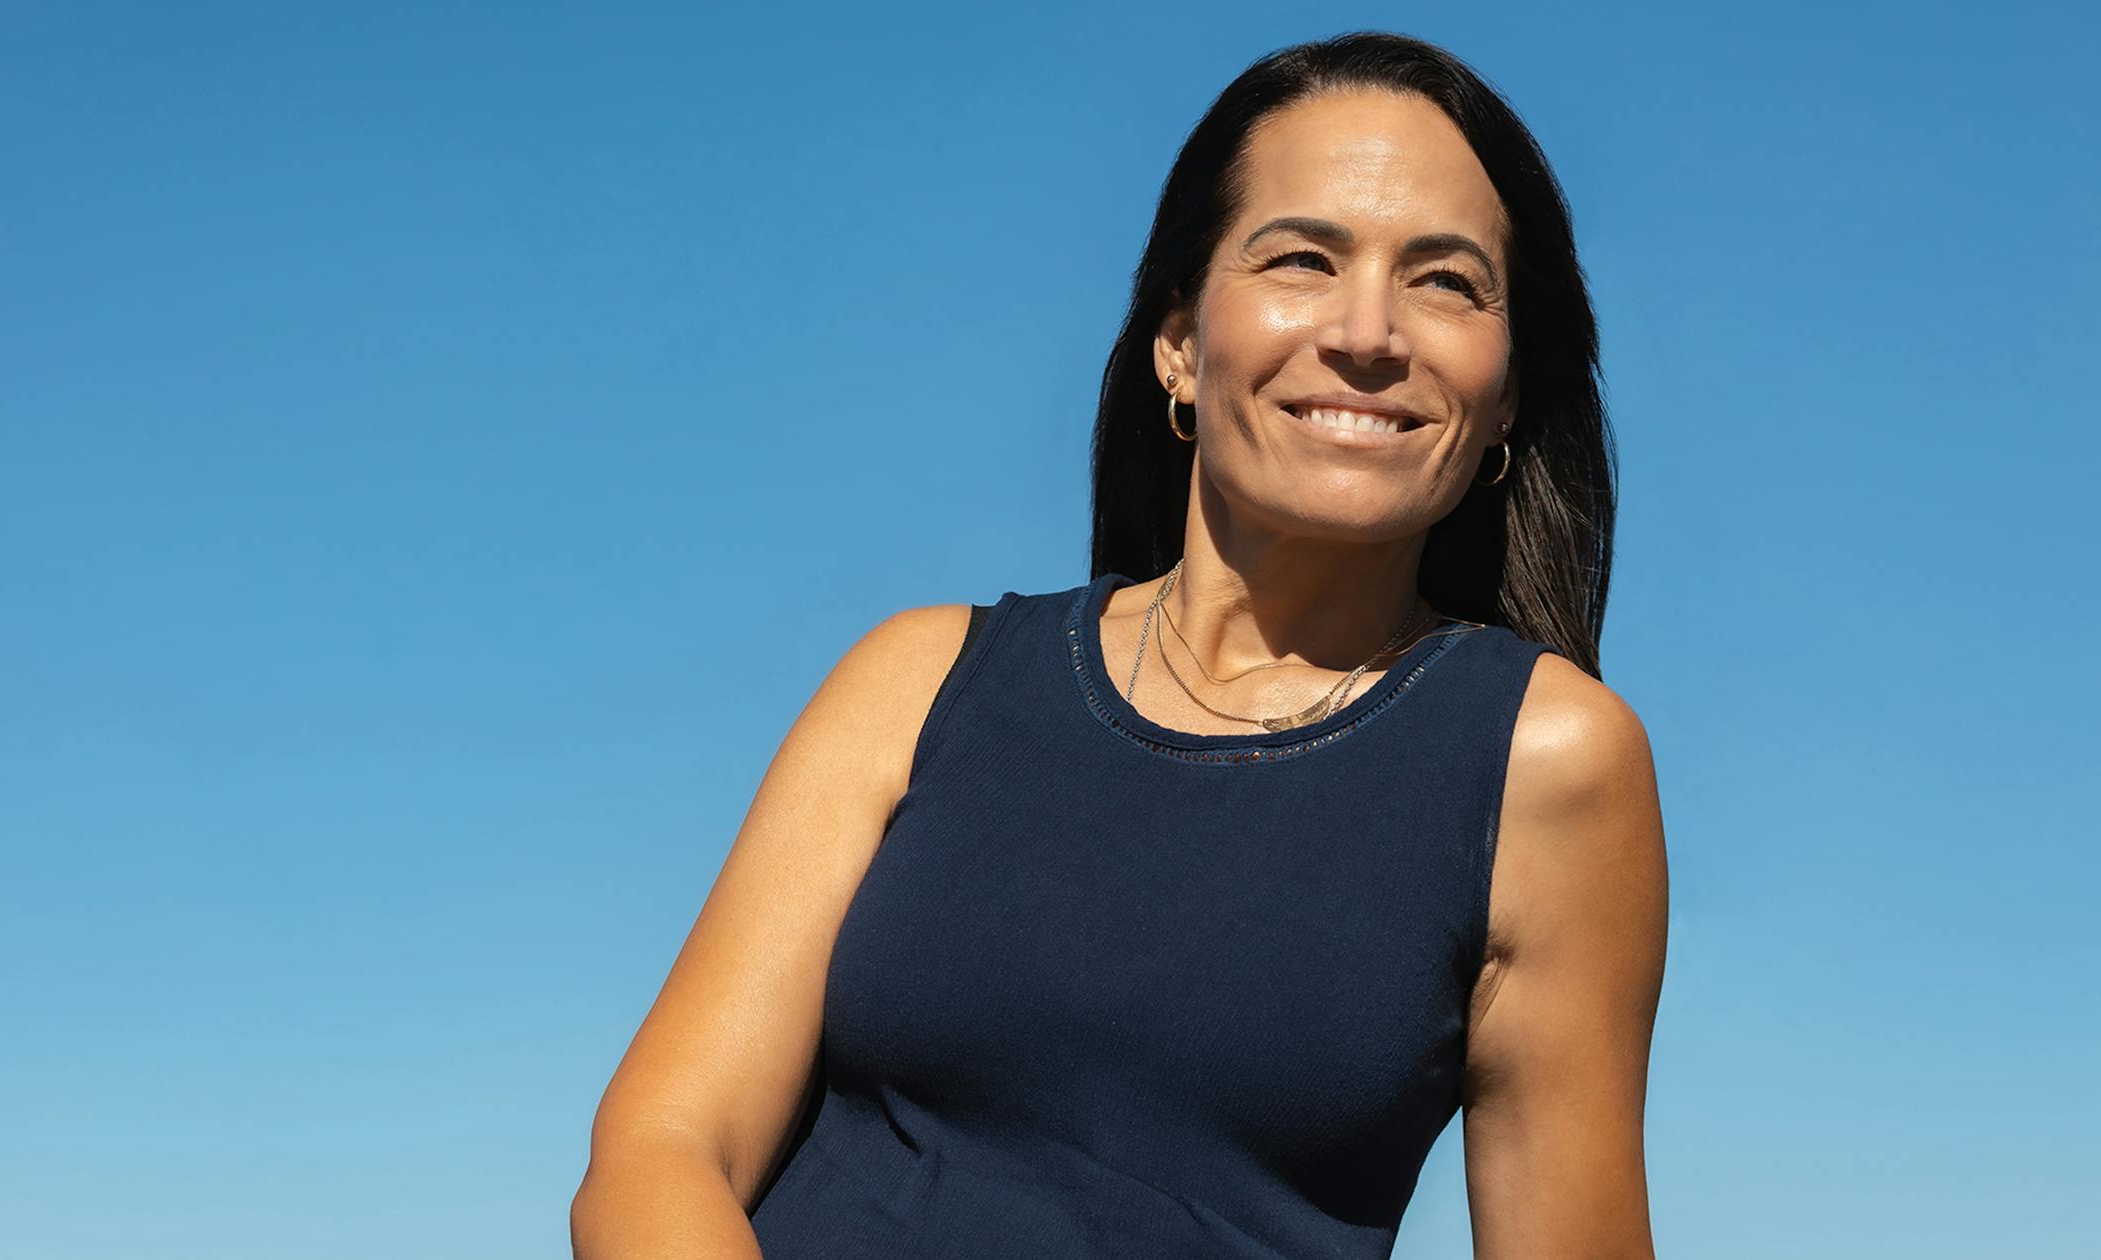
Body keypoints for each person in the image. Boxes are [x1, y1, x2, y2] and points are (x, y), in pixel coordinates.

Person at [571, 29, 1667, 1260]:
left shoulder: (1545, 761)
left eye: (1446, 281)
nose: (1369, 331)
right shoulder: (919, 681)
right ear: (1180, 344)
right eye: (1301, 258)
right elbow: (662, 1149)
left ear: (1507, 393)